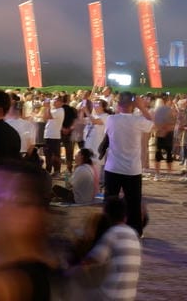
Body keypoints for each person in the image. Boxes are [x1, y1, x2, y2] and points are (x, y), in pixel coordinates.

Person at [65, 189, 142, 300]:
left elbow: (92, 259)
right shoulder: (134, 234)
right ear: (125, 217)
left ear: (106, 215)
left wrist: (68, 272)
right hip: (129, 297)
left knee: (76, 289)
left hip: (110, 297)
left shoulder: (113, 234)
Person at [99, 91, 152, 238]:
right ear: (133, 104)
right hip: (132, 169)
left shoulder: (111, 119)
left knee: (109, 200)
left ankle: (107, 229)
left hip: (113, 166)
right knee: (133, 203)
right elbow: (151, 124)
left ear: (118, 103)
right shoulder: (137, 121)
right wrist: (142, 108)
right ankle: (135, 232)